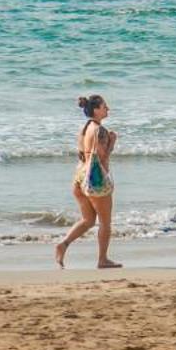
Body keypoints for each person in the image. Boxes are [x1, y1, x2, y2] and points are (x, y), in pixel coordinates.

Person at [55, 93, 121, 269]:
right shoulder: (100, 131)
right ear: (97, 110)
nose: (108, 109)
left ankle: (64, 244)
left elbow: (81, 155)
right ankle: (103, 259)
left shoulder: (84, 129)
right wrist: (112, 143)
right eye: (104, 106)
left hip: (79, 177)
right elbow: (102, 158)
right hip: (95, 180)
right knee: (105, 223)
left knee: (88, 220)